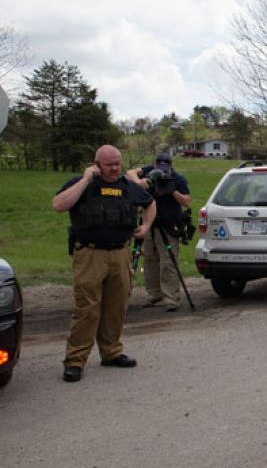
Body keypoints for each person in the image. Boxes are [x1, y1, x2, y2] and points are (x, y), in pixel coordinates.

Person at [52, 145, 156, 382]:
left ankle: (111, 352)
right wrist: (86, 180)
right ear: (96, 163)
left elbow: (150, 203)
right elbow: (59, 205)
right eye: (109, 164)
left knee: (116, 306)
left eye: (118, 163)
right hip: (90, 255)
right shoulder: (81, 183)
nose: (115, 168)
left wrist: (147, 226)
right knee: (87, 309)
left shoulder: (127, 187)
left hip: (120, 254)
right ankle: (75, 360)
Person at [126, 152, 191, 311]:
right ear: (155, 164)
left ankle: (171, 298)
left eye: (165, 165)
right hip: (148, 224)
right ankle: (154, 294)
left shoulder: (178, 178)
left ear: (170, 165)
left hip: (168, 225)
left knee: (168, 262)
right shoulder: (149, 171)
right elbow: (129, 173)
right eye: (159, 164)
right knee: (149, 259)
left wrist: (172, 190)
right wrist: (139, 182)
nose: (162, 167)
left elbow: (187, 202)